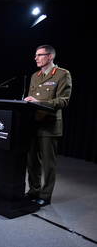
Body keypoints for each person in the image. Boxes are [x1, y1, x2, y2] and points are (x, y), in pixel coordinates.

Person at [24, 45, 72, 206]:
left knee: (48, 164)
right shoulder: (35, 76)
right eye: (35, 55)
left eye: (39, 55)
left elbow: (63, 101)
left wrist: (39, 102)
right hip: (33, 125)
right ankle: (33, 190)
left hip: (49, 125)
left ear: (50, 56)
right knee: (32, 161)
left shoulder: (62, 74)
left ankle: (45, 196)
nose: (35, 58)